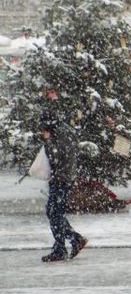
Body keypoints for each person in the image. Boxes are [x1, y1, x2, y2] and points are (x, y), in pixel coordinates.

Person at [38, 111, 87, 262]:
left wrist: (47, 142)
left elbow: (56, 158)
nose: (41, 130)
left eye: (43, 128)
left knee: (54, 213)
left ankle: (64, 246)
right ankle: (72, 240)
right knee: (53, 212)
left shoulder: (57, 138)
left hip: (61, 179)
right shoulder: (63, 133)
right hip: (63, 178)